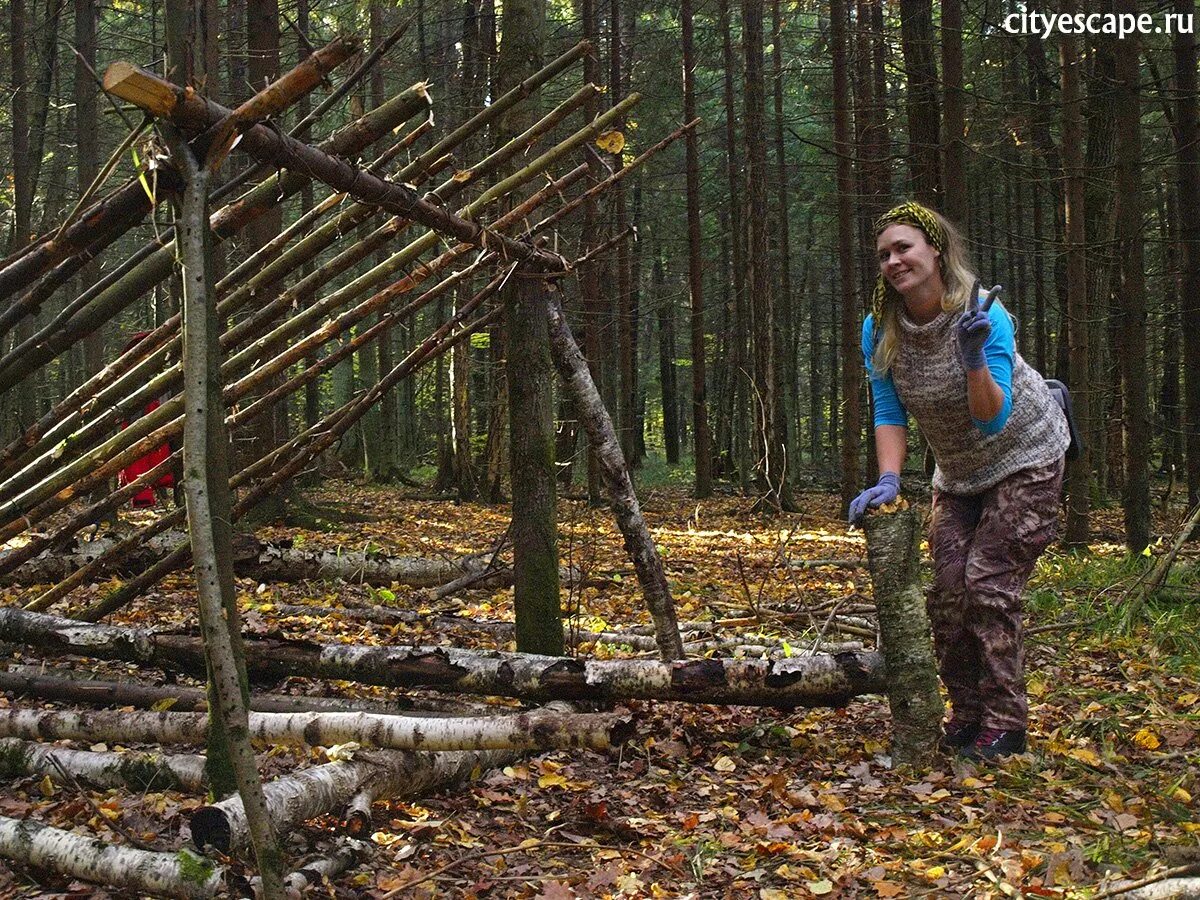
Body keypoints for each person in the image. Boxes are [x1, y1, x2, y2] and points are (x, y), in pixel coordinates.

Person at [849, 201, 1069, 761]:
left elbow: (991, 416)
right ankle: (967, 714)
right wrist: (890, 479)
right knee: (947, 593)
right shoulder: (880, 327)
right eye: (883, 255)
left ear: (936, 250)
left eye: (904, 248)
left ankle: (1006, 722)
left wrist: (973, 357)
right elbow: (888, 406)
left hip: (1027, 454)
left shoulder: (981, 315)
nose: (894, 261)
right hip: (960, 471)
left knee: (988, 585)